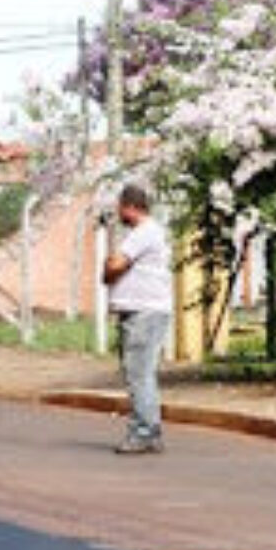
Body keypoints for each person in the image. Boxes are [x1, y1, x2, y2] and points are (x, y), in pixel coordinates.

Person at [103, 183, 172, 454]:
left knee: (139, 374)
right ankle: (149, 429)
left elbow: (115, 266)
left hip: (144, 312)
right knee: (141, 373)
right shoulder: (148, 233)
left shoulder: (143, 233)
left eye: (120, 207)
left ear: (130, 207)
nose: (118, 213)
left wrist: (108, 270)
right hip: (146, 311)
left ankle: (144, 431)